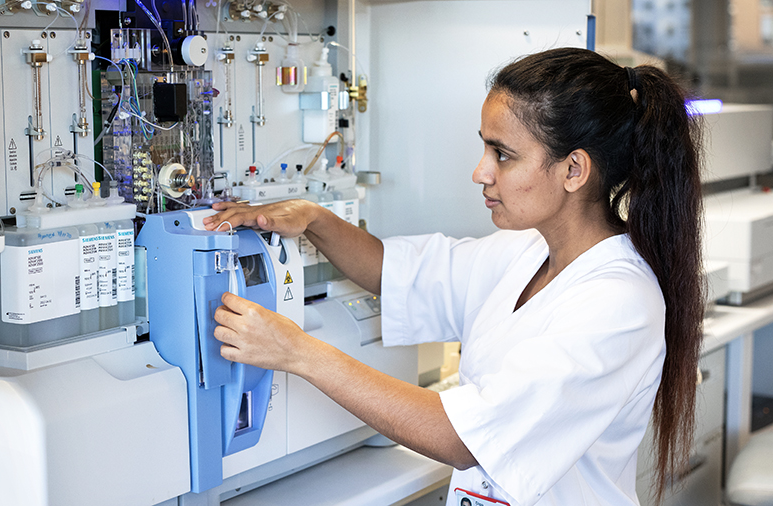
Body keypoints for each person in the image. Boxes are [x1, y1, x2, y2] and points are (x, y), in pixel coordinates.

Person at [203, 47, 704, 506]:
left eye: (503, 154)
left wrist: (297, 351)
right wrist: (313, 217)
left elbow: (460, 439)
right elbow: (392, 271)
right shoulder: (525, 252)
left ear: (574, 170)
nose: (481, 172)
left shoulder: (617, 302)